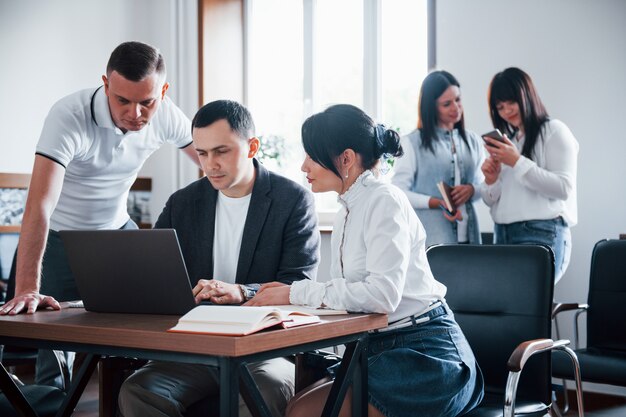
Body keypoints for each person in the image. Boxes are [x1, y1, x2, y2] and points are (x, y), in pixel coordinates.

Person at [247, 104, 484, 417]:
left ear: (346, 159)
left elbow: (382, 295)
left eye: (311, 155)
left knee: (302, 412)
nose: (304, 166)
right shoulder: (348, 208)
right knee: (296, 405)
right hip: (379, 350)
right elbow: (350, 294)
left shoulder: (384, 200)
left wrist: (295, 293)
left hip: (425, 355)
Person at [0, 40, 201, 389]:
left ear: (163, 92)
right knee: (54, 357)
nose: (135, 114)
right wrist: (28, 287)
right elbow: (39, 204)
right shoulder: (69, 114)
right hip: (61, 237)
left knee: (139, 330)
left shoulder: (167, 114)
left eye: (147, 102)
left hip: (118, 232)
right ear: (106, 84)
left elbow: (214, 162)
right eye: (122, 100)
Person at [118, 100, 320, 417]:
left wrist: (242, 291)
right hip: (197, 347)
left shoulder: (292, 200)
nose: (209, 164)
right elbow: (153, 274)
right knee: (139, 390)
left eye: (221, 151)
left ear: (252, 146)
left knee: (266, 388)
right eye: (202, 153)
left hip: (265, 350)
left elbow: (299, 284)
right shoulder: (183, 202)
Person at [480, 67, 578, 283]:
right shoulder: (511, 142)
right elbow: (490, 200)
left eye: (511, 102)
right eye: (500, 107)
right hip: (503, 234)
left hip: (539, 232)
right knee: (511, 310)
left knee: (527, 307)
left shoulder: (554, 130)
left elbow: (563, 188)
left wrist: (517, 161)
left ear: (526, 95)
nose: (507, 111)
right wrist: (491, 179)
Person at [392, 70, 484, 247]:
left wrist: (472, 190)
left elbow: (485, 187)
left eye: (458, 100)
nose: (456, 108)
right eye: (446, 104)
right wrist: (435, 202)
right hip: (432, 240)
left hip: (470, 238)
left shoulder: (474, 141)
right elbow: (399, 192)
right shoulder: (412, 143)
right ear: (431, 107)